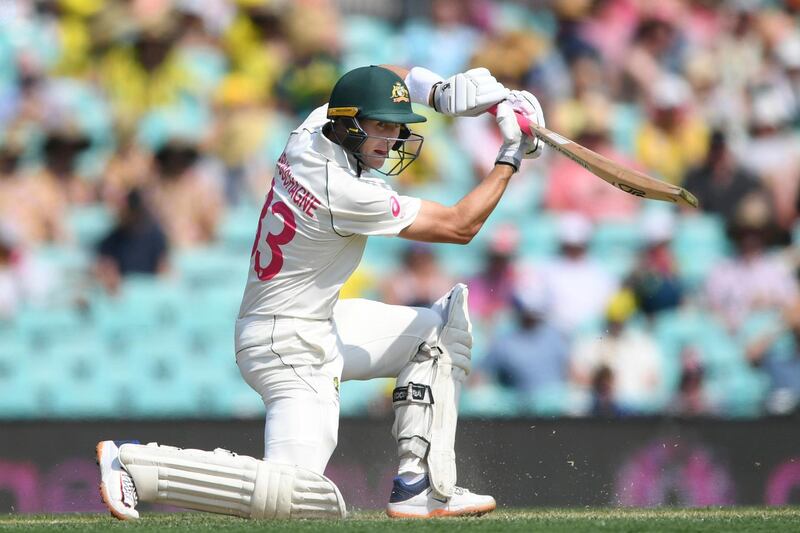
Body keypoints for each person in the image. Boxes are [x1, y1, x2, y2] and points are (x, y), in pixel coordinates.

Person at [96, 64, 545, 520]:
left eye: (396, 127)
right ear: (349, 125)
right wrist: (509, 154)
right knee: (303, 496)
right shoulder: (341, 191)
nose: (391, 140)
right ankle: (136, 465)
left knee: (439, 333)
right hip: (288, 346)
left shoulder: (313, 128)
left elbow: (383, 75)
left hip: (316, 323)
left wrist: (442, 91)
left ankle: (421, 486)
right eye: (382, 127)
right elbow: (459, 225)